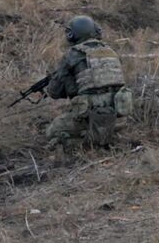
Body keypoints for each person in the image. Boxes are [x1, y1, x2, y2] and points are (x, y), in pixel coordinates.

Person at [45, 15, 132, 148]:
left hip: (91, 118)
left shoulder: (72, 54)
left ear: (72, 34)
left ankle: (80, 143)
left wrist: (61, 80)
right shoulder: (111, 51)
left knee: (51, 131)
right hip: (118, 119)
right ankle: (108, 135)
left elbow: (54, 92)